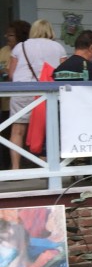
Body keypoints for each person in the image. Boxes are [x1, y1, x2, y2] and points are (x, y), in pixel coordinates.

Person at [8, 19, 67, 170]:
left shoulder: (20, 47)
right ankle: (45, 167)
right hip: (47, 93)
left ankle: (15, 168)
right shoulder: (58, 47)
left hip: (22, 91)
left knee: (18, 130)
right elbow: (63, 73)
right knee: (48, 129)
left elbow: (11, 74)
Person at [0, 21, 30, 170]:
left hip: (27, 100)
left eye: (11, 34)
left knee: (28, 136)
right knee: (6, 135)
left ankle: (29, 166)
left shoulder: (28, 50)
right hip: (6, 102)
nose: (6, 36)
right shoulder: (4, 51)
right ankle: (10, 168)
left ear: (20, 36)